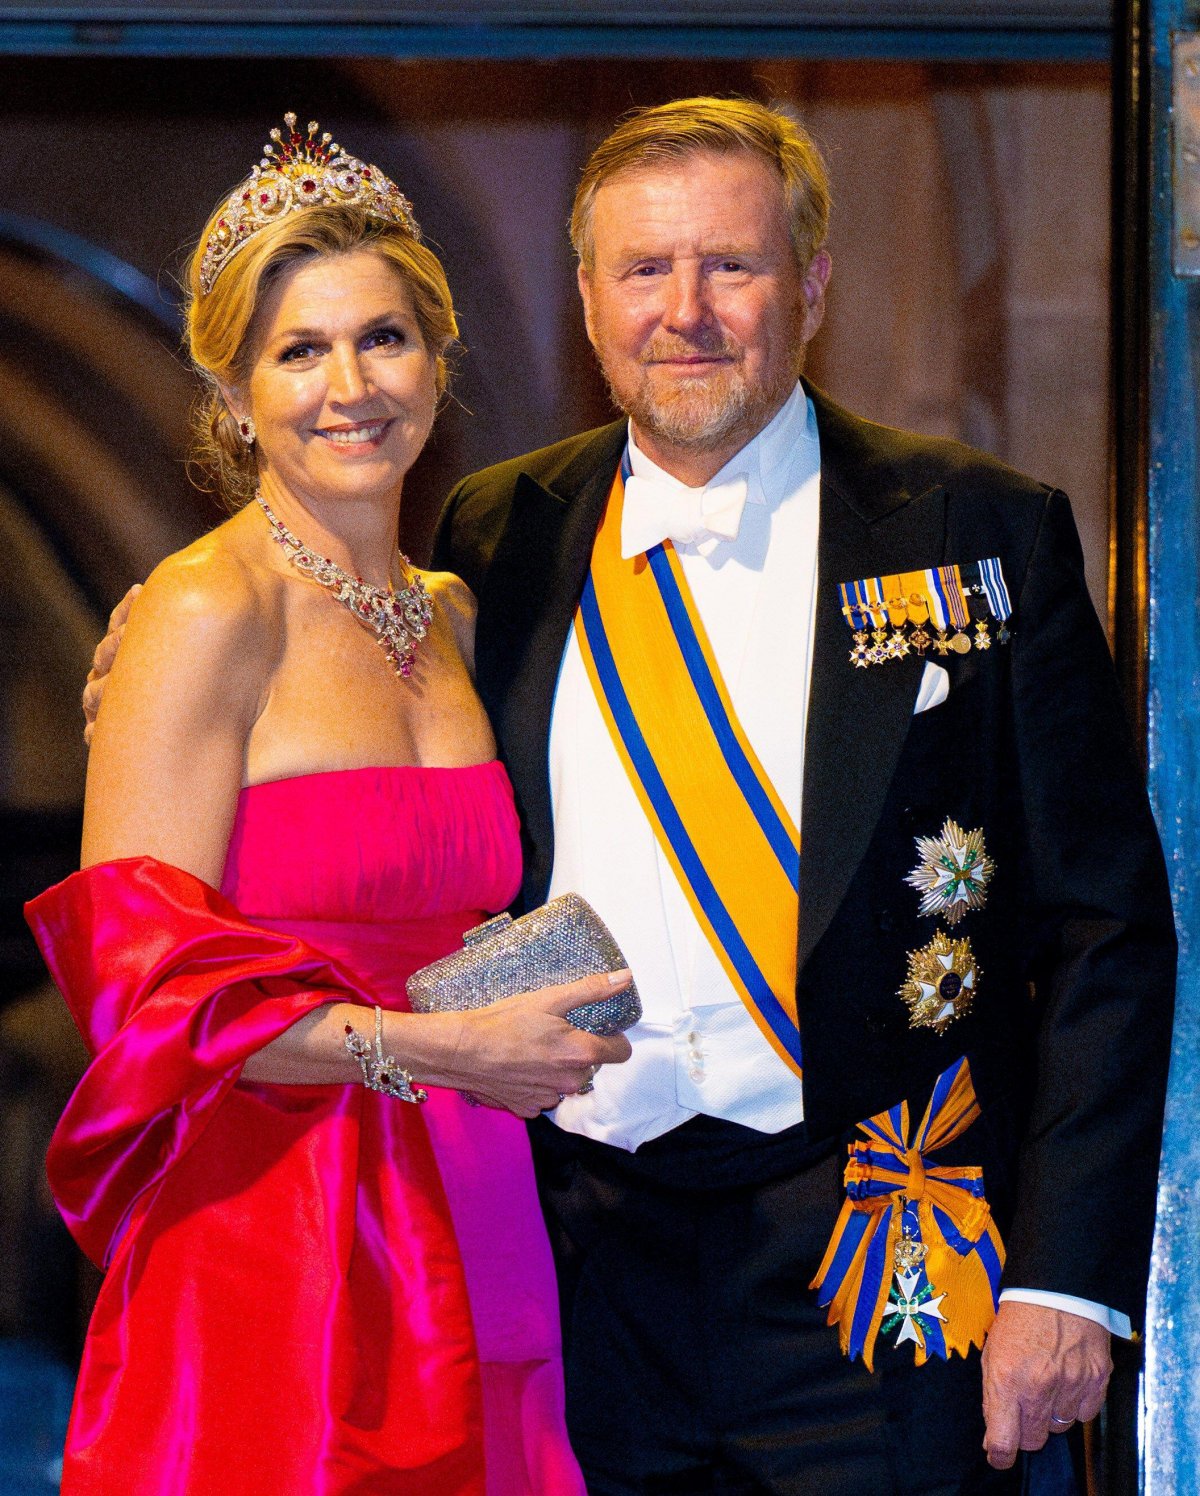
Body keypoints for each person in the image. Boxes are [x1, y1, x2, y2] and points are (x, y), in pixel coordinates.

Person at [88, 98, 1176, 1495]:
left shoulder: (975, 529)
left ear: (813, 285)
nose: (689, 312)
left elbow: (1103, 933)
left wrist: (1069, 1284)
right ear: (588, 301)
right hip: (565, 1259)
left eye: (732, 266)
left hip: (878, 1264)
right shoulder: (509, 530)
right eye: (645, 272)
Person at [32, 115, 630, 1495]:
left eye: (384, 339)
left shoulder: (458, 615)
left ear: (437, 360)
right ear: (233, 393)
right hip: (275, 1236)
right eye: (299, 351)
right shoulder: (200, 614)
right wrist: (447, 1046)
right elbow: (146, 1005)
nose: (349, 386)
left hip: (478, 1202)